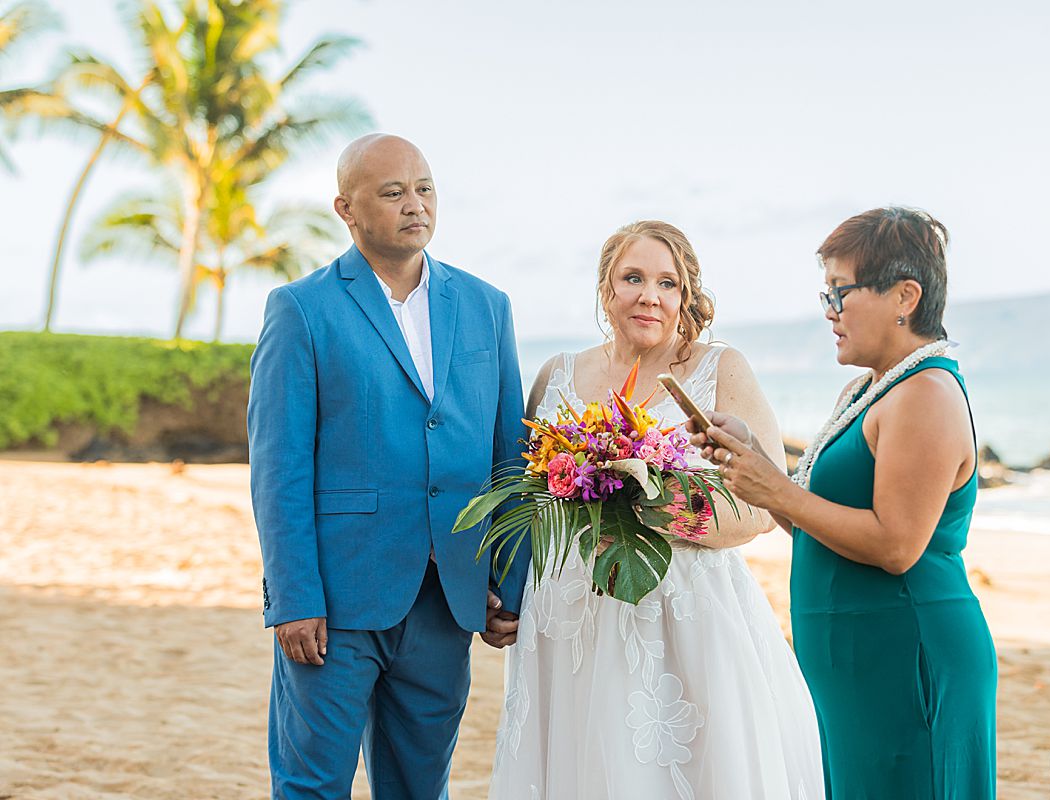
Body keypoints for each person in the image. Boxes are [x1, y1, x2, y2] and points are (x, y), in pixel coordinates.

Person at [488, 220, 825, 800]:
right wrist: (502, 590)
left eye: (668, 283)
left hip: (681, 615)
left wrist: (649, 504)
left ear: (685, 297)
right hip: (568, 618)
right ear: (605, 289)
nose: (650, 295)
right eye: (633, 278)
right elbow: (523, 498)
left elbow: (764, 505)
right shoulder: (557, 376)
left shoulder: (719, 370)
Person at [247, 133, 527, 799]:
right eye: (393, 192)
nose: (416, 205)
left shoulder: (488, 307)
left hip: (447, 598)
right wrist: (293, 597)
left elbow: (509, 458)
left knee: (418, 788)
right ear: (346, 209)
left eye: (424, 188)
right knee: (312, 786)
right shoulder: (302, 309)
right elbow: (278, 467)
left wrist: (508, 587)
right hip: (336, 603)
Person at [691, 207, 997, 799]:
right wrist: (752, 460)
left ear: (905, 295)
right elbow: (815, 522)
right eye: (824, 293)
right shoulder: (867, 388)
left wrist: (776, 488)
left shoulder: (925, 392)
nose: (829, 312)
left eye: (842, 292)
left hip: (906, 657)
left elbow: (897, 545)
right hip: (853, 668)